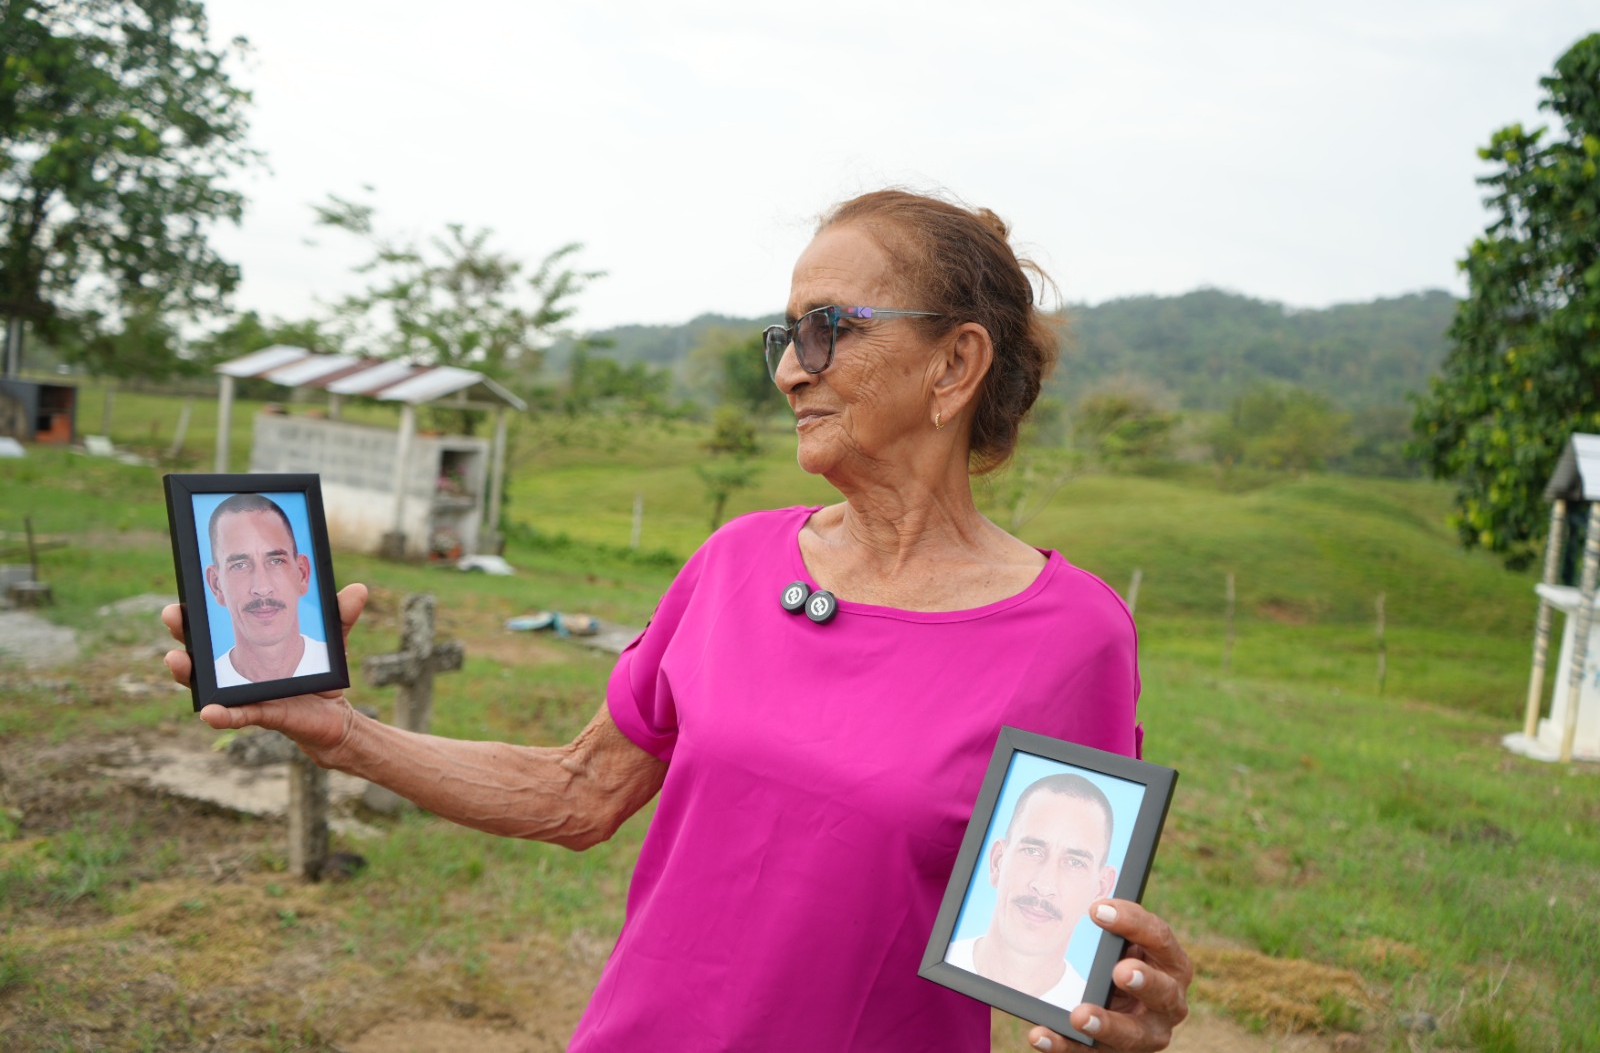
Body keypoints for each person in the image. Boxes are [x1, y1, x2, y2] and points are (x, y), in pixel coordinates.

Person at [164, 189, 1192, 1052]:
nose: (790, 369)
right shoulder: (736, 562)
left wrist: (1114, 1018)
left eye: (828, 328)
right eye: (785, 336)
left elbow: (1057, 961)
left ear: (955, 365)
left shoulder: (1070, 636)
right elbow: (579, 792)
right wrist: (343, 732)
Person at [945, 774, 1120, 1010]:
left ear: (1101, 889)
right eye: (1032, 851)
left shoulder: (1093, 1012)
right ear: (997, 862)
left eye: (1075, 862)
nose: (1044, 886)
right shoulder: (932, 963)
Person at [204, 493, 329, 685]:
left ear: (302, 574)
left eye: (276, 561)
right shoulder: (211, 682)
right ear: (216, 585)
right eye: (240, 565)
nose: (262, 588)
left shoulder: (330, 663)